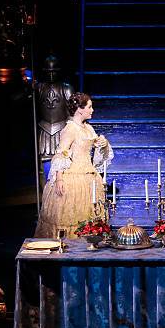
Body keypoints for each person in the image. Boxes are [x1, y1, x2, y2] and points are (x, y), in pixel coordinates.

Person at [34, 92, 114, 238]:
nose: (92, 110)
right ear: (79, 109)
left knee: (90, 216)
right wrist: (59, 179)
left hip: (89, 178)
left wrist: (104, 144)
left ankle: (90, 246)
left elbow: (96, 151)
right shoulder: (70, 129)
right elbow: (61, 153)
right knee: (70, 218)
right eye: (89, 107)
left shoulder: (88, 128)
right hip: (72, 179)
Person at [36, 54, 74, 181]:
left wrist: (69, 132)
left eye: (54, 71)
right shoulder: (39, 88)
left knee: (64, 167)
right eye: (48, 71)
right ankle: (45, 198)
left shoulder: (66, 88)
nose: (51, 74)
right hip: (44, 131)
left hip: (62, 131)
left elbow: (71, 114)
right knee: (43, 169)